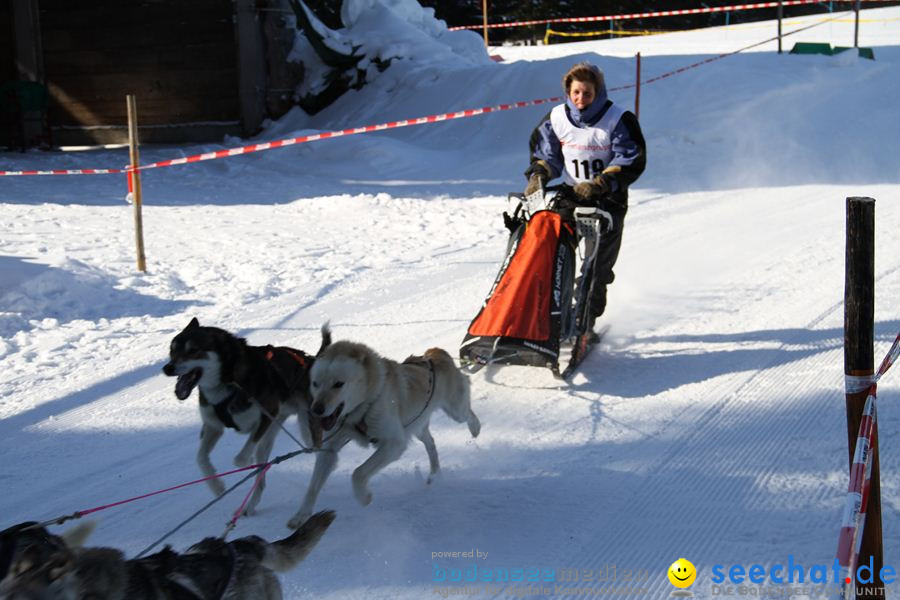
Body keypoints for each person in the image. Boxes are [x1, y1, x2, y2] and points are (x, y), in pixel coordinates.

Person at [524, 62, 646, 338]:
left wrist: (601, 183)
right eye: (576, 93)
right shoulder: (556, 118)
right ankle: (549, 315)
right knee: (552, 252)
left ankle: (585, 321)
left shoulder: (617, 119)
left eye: (587, 93)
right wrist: (540, 174)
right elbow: (547, 154)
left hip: (608, 200)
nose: (581, 99)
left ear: (598, 92)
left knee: (597, 265)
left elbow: (629, 157)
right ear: (569, 92)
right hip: (571, 195)